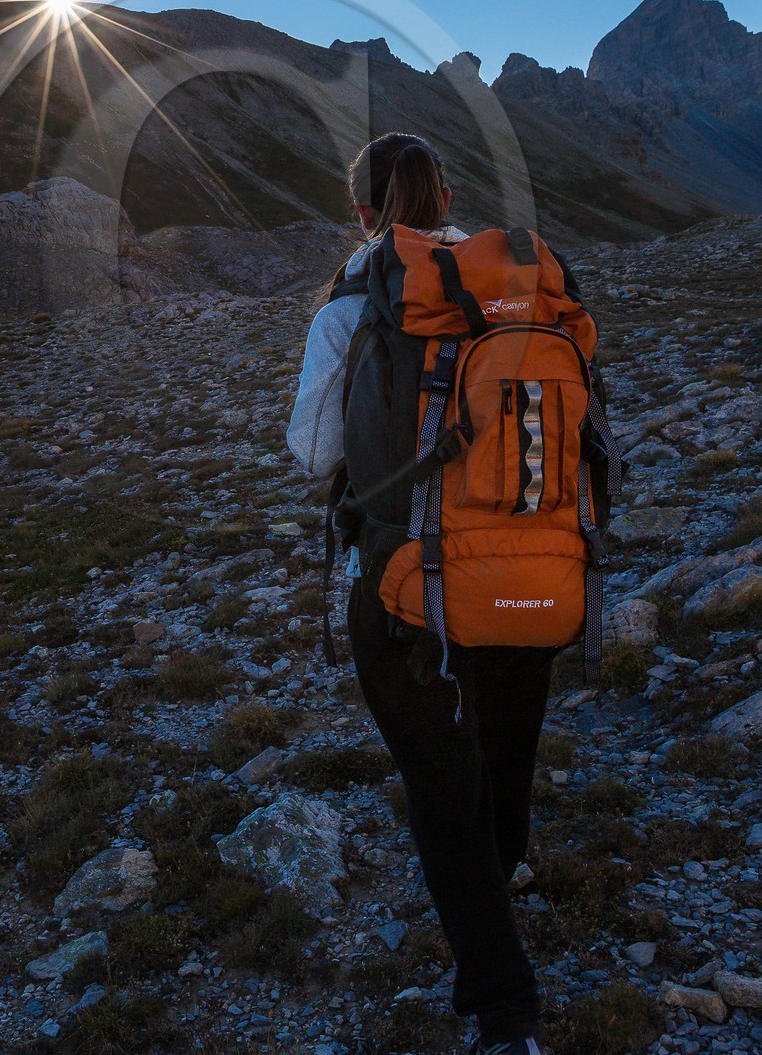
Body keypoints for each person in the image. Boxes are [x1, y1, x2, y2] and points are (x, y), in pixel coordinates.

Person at [287, 133, 552, 1055]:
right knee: (505, 739)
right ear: (447, 198)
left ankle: (502, 1005)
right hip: (531, 563)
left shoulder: (353, 305)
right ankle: (504, 868)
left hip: (408, 584)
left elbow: (315, 453)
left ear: (362, 211)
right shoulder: (514, 286)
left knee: (442, 787)